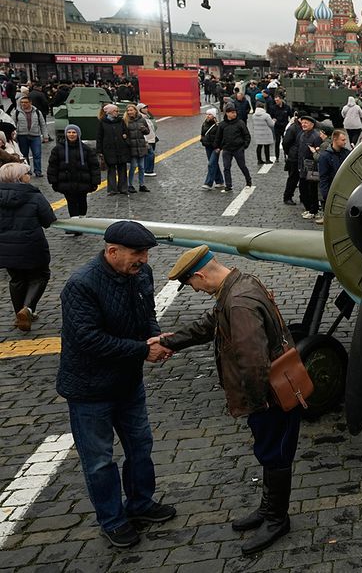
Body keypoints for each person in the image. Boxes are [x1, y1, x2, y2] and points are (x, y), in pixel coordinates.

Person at [158, 247, 303, 555]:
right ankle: (268, 510)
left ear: (199, 275)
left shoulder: (237, 302)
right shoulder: (240, 284)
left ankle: (277, 519)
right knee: (268, 453)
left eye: (191, 284)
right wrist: (169, 342)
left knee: (275, 454)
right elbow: (210, 325)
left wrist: (256, 403)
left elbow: (253, 361)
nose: (194, 290)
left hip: (270, 396)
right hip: (271, 393)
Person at [58, 221, 176, 548]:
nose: (145, 261)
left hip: (127, 384)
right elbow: (88, 340)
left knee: (141, 446)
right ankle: (112, 519)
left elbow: (146, 313)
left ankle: (140, 503)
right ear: (112, 251)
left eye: (146, 254)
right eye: (138, 254)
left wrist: (153, 334)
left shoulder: (141, 274)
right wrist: (142, 350)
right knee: (99, 461)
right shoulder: (81, 285)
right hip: (89, 390)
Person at [0, 163, 55, 331]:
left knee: (17, 279)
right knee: (40, 275)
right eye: (26, 173)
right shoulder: (33, 195)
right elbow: (48, 220)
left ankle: (20, 313)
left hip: (5, 247)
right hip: (32, 245)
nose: (28, 175)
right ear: (20, 177)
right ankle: (28, 309)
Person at [47, 124, 100, 226]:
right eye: (69, 132)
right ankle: (76, 225)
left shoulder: (86, 149)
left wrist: (95, 181)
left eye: (74, 132)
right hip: (67, 181)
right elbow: (53, 166)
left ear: (78, 134)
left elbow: (94, 166)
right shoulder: (57, 149)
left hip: (83, 181)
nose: (71, 134)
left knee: (82, 201)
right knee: (71, 202)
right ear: (66, 134)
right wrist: (53, 181)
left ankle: (82, 220)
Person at [315, 130, 351, 224]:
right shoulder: (325, 156)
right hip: (332, 189)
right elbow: (323, 177)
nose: (345, 142)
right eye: (343, 140)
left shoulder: (346, 153)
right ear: (335, 139)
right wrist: (326, 195)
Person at [216, 105, 253, 193]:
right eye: (232, 112)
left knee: (242, 166)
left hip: (238, 149)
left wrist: (244, 146)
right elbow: (218, 137)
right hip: (227, 149)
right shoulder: (222, 125)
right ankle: (228, 186)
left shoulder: (240, 123)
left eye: (235, 112)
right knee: (226, 167)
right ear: (227, 113)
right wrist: (218, 147)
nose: (234, 114)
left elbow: (246, 135)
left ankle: (248, 181)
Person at [97, 104, 131, 196]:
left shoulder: (121, 121)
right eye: (115, 111)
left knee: (122, 169)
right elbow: (99, 137)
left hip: (121, 148)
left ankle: (123, 188)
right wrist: (99, 151)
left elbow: (126, 132)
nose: (117, 112)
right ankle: (112, 189)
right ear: (110, 112)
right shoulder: (102, 122)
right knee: (111, 170)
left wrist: (125, 138)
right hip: (109, 150)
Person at [296, 117, 325, 220]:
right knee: (303, 189)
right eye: (302, 123)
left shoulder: (315, 137)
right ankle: (309, 208)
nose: (303, 124)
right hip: (303, 167)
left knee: (312, 190)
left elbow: (318, 153)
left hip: (312, 168)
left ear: (312, 124)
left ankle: (314, 210)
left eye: (306, 123)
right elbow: (300, 152)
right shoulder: (302, 135)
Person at [14, 95, 49, 177]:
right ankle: (27, 170)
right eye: (22, 102)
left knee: (37, 154)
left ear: (30, 103)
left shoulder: (37, 112)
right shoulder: (17, 112)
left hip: (35, 135)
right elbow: (13, 124)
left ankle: (38, 171)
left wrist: (45, 135)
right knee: (24, 154)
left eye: (25, 102)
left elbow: (43, 124)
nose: (23, 104)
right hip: (22, 136)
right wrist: (14, 135)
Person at [280, 115, 302, 205]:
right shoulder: (293, 128)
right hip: (294, 157)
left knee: (304, 180)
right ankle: (287, 197)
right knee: (293, 178)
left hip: (302, 157)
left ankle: (303, 197)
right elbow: (285, 142)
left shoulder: (304, 128)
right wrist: (290, 152)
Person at [199, 108, 222, 191]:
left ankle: (208, 183)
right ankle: (220, 181)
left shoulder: (218, 125)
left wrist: (219, 147)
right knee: (214, 163)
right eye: (207, 114)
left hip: (215, 148)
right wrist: (202, 140)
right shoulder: (204, 124)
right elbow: (202, 133)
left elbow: (220, 137)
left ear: (214, 115)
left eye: (210, 114)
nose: (208, 116)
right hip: (207, 146)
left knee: (211, 164)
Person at [268, 95, 292, 161]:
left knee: (286, 142)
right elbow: (270, 116)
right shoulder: (273, 108)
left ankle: (286, 156)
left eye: (277, 100)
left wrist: (290, 122)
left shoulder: (287, 107)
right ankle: (277, 157)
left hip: (285, 127)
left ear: (281, 100)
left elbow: (291, 115)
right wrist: (273, 119)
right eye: (275, 100)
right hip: (277, 127)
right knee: (277, 142)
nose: (276, 102)